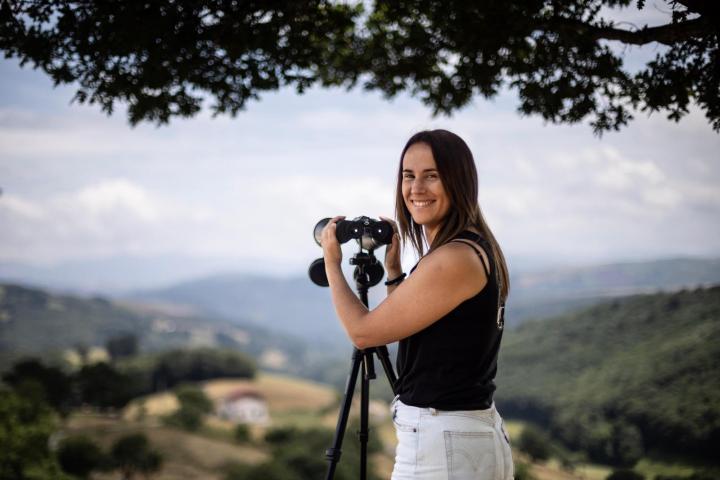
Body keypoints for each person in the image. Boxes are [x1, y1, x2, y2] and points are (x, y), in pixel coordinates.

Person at [320, 129, 513, 479]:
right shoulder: (471, 247)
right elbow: (412, 327)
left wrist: (331, 263)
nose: (416, 189)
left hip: (443, 444)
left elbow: (363, 334)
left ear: (460, 182)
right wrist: (394, 272)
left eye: (432, 176)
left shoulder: (453, 257)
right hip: (464, 438)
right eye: (409, 176)